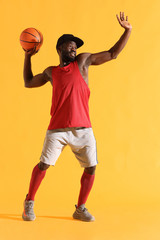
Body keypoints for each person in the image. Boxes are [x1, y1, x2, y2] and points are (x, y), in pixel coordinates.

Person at [22, 12, 132, 222]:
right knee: (43, 165)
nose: (73, 48)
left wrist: (127, 31)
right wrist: (27, 56)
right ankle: (29, 201)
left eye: (75, 46)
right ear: (59, 49)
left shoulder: (83, 62)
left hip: (83, 129)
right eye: (69, 45)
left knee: (91, 167)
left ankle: (80, 208)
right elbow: (28, 82)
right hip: (57, 129)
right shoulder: (50, 72)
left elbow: (112, 54)